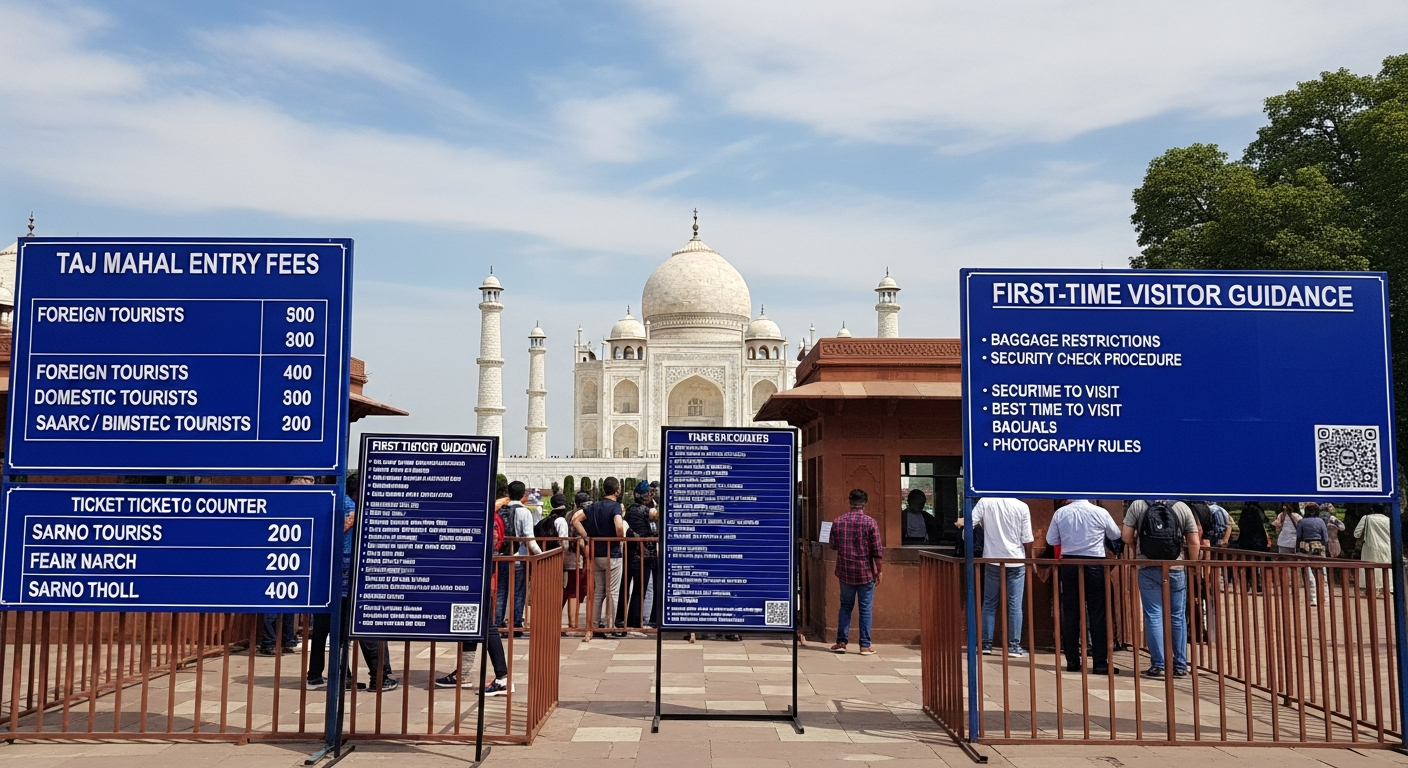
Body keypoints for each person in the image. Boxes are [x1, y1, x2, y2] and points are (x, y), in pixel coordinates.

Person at [308, 492, 396, 692]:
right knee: (366, 622)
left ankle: (341, 676)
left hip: (331, 569)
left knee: (337, 627)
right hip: (350, 568)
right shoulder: (348, 504)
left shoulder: (326, 501)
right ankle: (378, 676)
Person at [435, 496, 512, 696]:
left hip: (474, 574)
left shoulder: (483, 516)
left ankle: (502, 677)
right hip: (471, 574)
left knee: (485, 624)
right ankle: (463, 674)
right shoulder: (483, 515)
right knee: (469, 621)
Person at [1122, 499, 1200, 679]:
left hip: (1147, 566)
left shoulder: (1138, 505)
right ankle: (1180, 665)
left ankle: (1159, 664)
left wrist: (1136, 547)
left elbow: (1126, 536)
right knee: (1177, 616)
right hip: (1175, 568)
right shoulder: (1181, 506)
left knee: (1154, 615)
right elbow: (1194, 541)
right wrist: (1193, 566)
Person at [1046, 499, 1121, 674]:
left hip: (1070, 564)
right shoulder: (1100, 512)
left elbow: (1051, 540)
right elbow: (1115, 535)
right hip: (1095, 563)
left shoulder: (1061, 513)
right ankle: (1100, 662)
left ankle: (1072, 661)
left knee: (1070, 613)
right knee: (1098, 613)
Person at [960, 497, 1034, 656]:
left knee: (989, 603)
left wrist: (968, 545)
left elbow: (968, 524)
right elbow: (1027, 539)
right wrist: (1030, 560)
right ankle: (1013, 646)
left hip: (992, 559)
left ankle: (986, 644)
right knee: (1015, 605)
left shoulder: (985, 502)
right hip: (1016, 560)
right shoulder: (1022, 506)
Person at [829, 489, 882, 655]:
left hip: (845, 571)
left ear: (849, 501)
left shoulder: (838, 521)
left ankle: (841, 642)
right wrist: (879, 571)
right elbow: (877, 551)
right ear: (865, 503)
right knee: (865, 608)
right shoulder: (870, 523)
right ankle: (865, 645)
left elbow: (833, 545)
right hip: (865, 571)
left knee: (845, 606)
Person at [572, 476, 626, 638]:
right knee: (612, 592)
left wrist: (586, 536)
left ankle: (594, 625)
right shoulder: (615, 507)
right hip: (613, 554)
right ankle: (609, 626)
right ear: (617, 491)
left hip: (596, 553)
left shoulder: (595, 506)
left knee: (598, 592)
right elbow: (618, 525)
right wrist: (620, 537)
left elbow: (575, 520)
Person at [498, 481, 541, 637]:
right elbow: (530, 538)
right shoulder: (524, 512)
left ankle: (498, 624)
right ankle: (516, 624)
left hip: (501, 557)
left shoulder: (501, 510)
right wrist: (540, 554)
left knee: (501, 591)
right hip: (518, 557)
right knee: (518, 592)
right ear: (524, 495)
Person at [620, 481, 659, 633]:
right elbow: (656, 515)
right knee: (640, 589)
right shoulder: (643, 510)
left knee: (629, 588)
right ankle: (636, 621)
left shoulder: (630, 509)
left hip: (631, 553)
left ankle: (625, 620)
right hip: (643, 554)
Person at [1356, 505, 1392, 593]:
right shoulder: (1388, 520)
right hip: (1387, 548)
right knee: (1385, 568)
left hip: (1370, 547)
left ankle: (1369, 589)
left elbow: (1356, 534)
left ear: (1372, 509)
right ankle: (1386, 589)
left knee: (1369, 568)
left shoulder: (1367, 518)